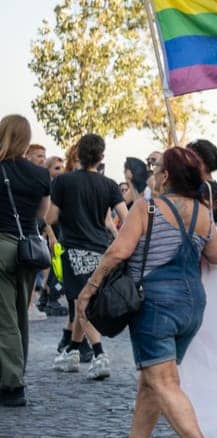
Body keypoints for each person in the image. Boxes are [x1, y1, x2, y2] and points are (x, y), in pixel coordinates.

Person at [83, 146, 217, 438]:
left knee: (162, 379)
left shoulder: (147, 209)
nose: (151, 173)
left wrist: (89, 290)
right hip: (192, 303)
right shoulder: (203, 212)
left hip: (156, 303)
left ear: (165, 176)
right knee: (153, 376)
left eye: (156, 167)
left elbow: (119, 250)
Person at [50, 133, 125, 380]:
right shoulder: (110, 185)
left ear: (77, 154)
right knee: (80, 302)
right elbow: (125, 217)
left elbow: (50, 218)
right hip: (100, 252)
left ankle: (99, 354)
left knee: (81, 303)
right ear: (101, 157)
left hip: (73, 250)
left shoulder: (63, 182)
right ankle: (72, 351)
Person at [0, 116, 52, 407]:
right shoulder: (40, 175)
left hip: (1, 246)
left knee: (5, 318)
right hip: (29, 250)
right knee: (20, 315)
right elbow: (42, 215)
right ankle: (15, 373)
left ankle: (11, 384)